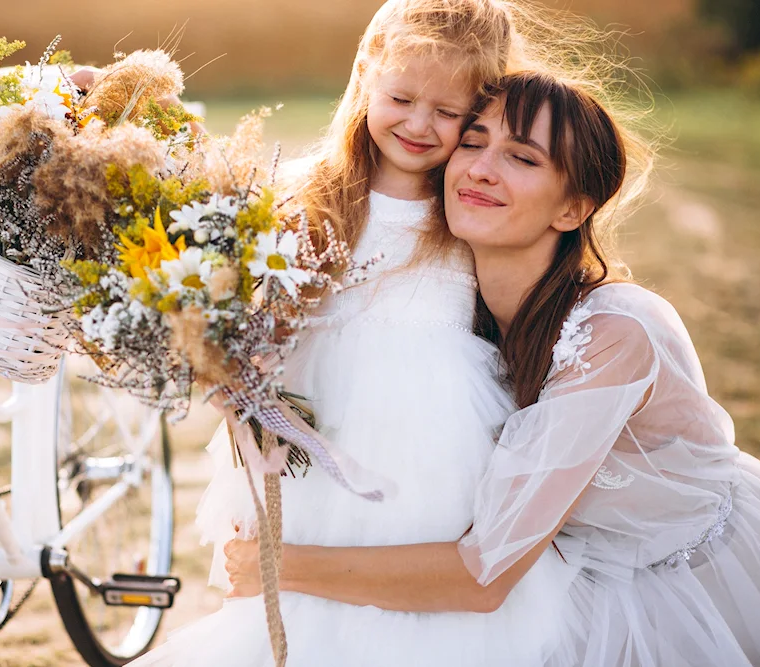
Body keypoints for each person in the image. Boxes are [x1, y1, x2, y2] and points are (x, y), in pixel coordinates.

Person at [225, 70, 760, 666]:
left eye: (521, 157)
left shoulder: (617, 336)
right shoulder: (447, 306)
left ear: (572, 209)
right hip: (562, 566)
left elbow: (480, 578)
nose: (481, 169)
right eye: (473, 141)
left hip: (689, 584)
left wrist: (280, 562)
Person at [129, 1, 580, 666]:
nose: (420, 124)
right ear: (366, 73)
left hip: (430, 451)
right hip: (317, 436)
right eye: (401, 97)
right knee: (298, 612)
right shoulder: (304, 191)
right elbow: (255, 299)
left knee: (402, 623)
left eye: (448, 112)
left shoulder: (465, 207)